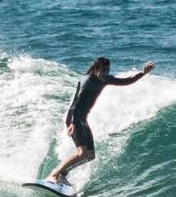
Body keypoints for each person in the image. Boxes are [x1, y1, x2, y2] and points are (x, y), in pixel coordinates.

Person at [46, 56, 155, 186]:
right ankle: (54, 175)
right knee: (81, 153)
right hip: (76, 120)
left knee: (90, 155)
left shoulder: (104, 79)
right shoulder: (87, 81)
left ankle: (63, 174)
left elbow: (126, 81)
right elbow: (75, 104)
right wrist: (71, 123)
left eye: (108, 71)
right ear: (97, 69)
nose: (106, 74)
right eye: (104, 71)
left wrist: (142, 73)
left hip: (83, 121)